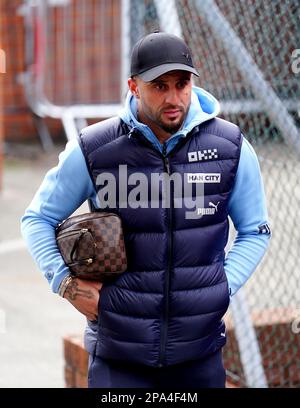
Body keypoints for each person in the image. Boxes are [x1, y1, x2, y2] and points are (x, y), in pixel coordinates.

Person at [21, 32, 271, 388]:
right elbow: (37, 218)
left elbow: (256, 230)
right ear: (134, 86)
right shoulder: (97, 148)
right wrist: (66, 284)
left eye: (182, 84)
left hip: (198, 355)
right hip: (119, 357)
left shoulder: (230, 147)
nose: (173, 98)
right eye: (159, 86)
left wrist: (221, 288)